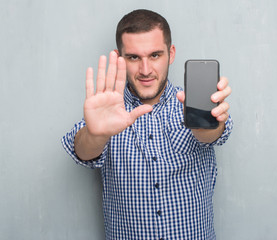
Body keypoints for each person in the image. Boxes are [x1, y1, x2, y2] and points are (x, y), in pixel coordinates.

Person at [62, 9, 233, 240]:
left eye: (155, 55)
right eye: (133, 57)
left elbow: (213, 134)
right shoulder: (108, 110)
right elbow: (82, 151)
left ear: (170, 54)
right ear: (119, 58)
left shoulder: (194, 105)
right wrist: (96, 135)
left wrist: (206, 125)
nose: (145, 70)